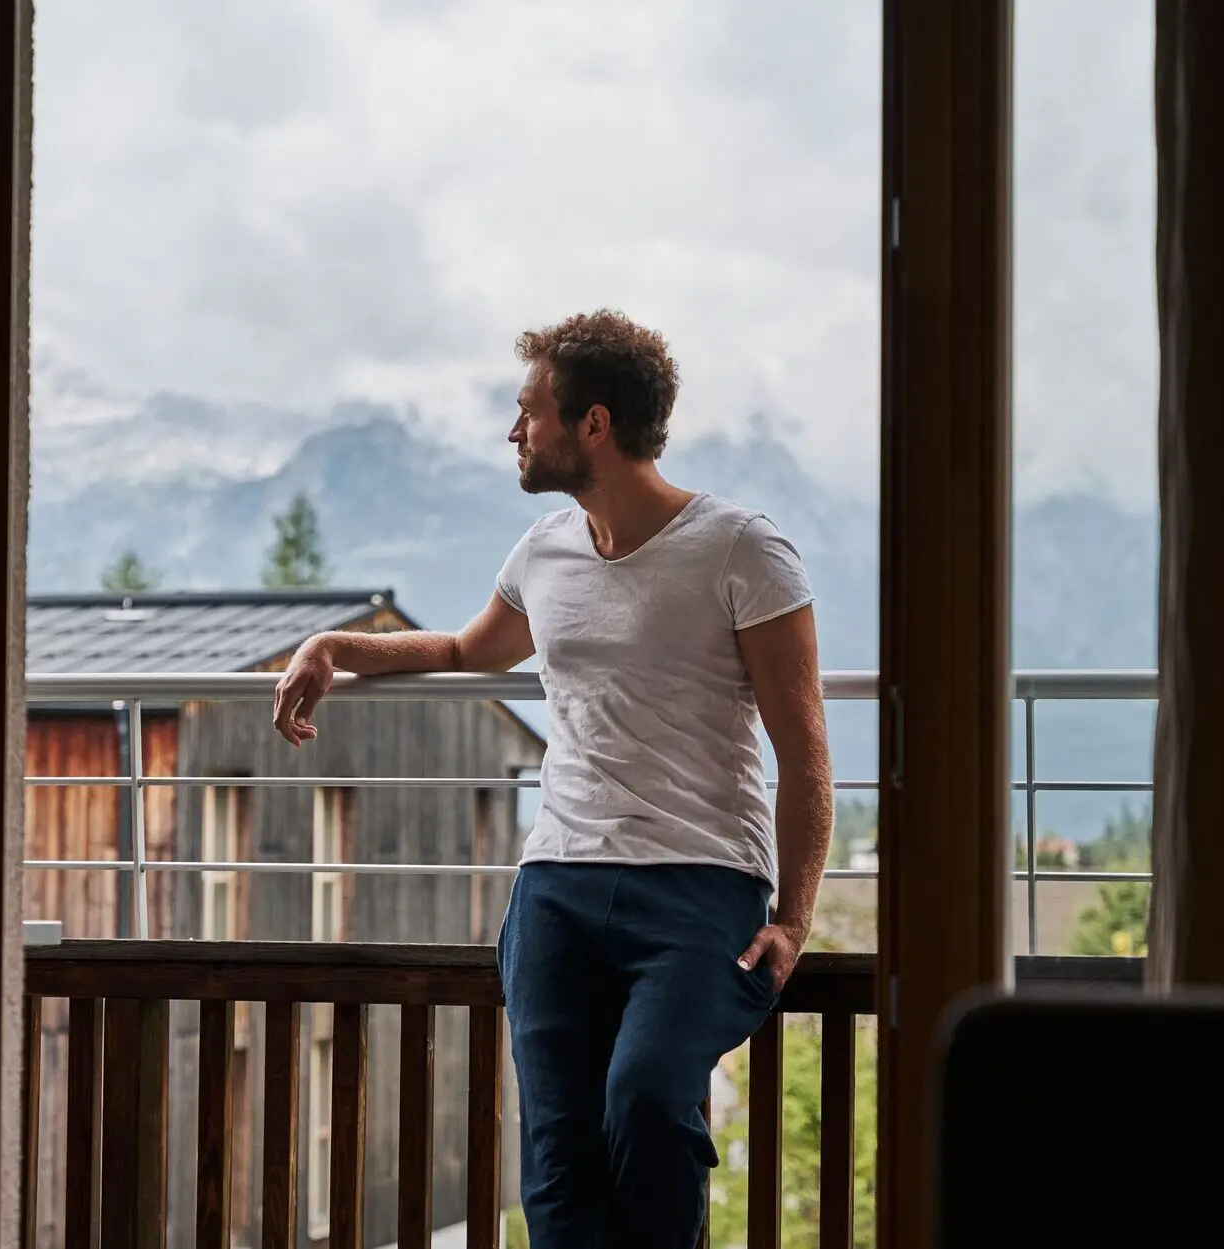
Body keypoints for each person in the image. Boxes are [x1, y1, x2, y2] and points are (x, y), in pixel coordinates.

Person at [271, 309, 833, 1249]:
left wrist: (797, 915)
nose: (513, 431)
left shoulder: (742, 548)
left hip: (701, 887)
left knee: (648, 1103)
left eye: (529, 410)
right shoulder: (546, 549)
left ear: (594, 426)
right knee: (559, 1163)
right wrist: (334, 644)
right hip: (558, 888)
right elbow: (465, 645)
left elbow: (804, 749)